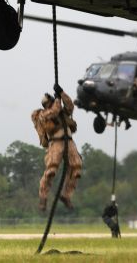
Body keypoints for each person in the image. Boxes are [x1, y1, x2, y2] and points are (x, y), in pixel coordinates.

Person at [32, 83, 82, 211]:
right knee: (51, 170)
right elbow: (54, 112)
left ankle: (66, 195)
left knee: (76, 168)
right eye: (51, 102)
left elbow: (70, 105)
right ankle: (43, 197)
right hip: (56, 143)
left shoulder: (62, 111)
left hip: (69, 142)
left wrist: (62, 93)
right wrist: (58, 101)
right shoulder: (43, 115)